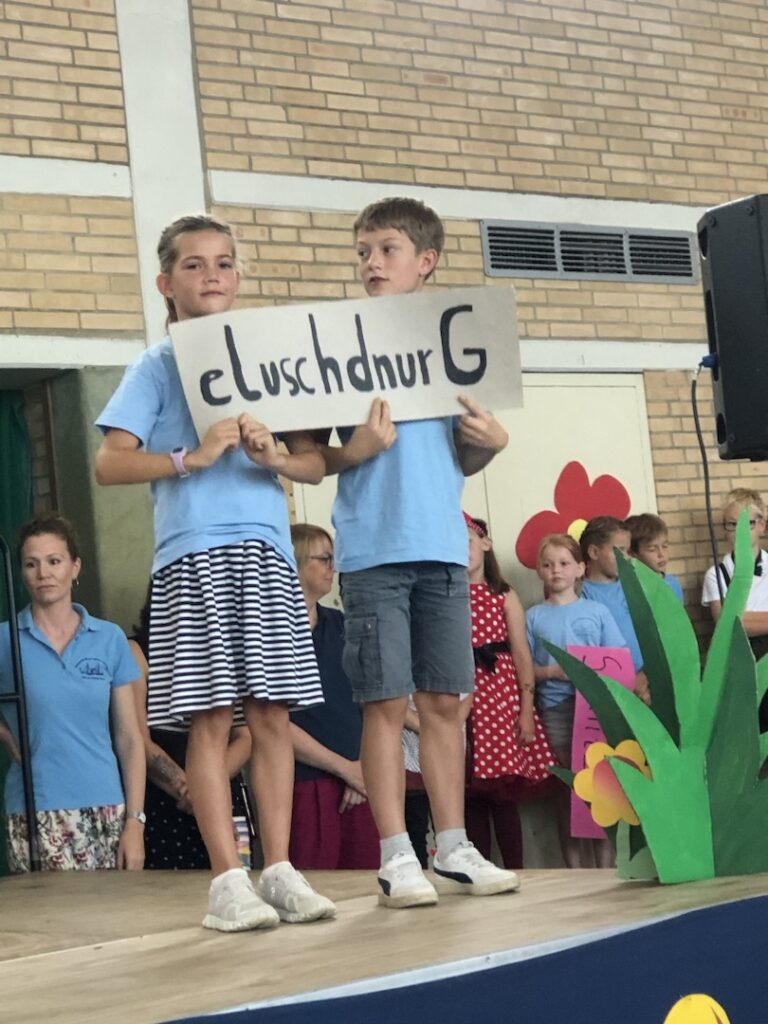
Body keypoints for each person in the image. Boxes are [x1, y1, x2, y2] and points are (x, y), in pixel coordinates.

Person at [94, 213, 335, 931]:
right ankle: (227, 880)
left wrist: (274, 456)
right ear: (165, 283)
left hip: (267, 552)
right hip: (193, 553)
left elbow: (313, 460)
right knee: (208, 719)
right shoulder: (155, 364)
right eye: (194, 265)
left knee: (272, 715)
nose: (213, 275)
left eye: (225, 262)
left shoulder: (266, 359)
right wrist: (188, 457)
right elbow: (108, 463)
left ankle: (279, 868)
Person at [318, 196, 519, 908]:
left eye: (387, 250)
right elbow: (315, 456)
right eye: (363, 251)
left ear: (425, 261)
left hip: (442, 547)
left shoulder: (454, 346)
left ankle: (453, 846)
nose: (371, 263)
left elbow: (460, 457)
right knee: (383, 702)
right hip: (373, 549)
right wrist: (355, 447)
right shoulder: (336, 346)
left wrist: (492, 445)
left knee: (445, 703)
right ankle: (396, 853)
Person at [1, 513, 145, 872]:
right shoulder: (5, 640)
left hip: (107, 807)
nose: (43, 573)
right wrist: (6, 735)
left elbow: (130, 738)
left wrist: (135, 822)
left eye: (54, 561)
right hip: (34, 808)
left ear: (75, 566)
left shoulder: (109, 638)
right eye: (31, 564)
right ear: (21, 572)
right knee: (47, 911)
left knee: (113, 908)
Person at [128, 592, 254, 870]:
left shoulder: (225, 652)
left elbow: (245, 737)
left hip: (223, 796)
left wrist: (206, 788)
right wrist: (193, 791)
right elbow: (139, 741)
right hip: (165, 801)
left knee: (239, 883)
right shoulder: (137, 651)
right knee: (169, 893)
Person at [525, 534, 627, 868]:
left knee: (601, 790)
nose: (556, 570)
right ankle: (575, 870)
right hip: (554, 712)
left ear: (581, 568)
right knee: (567, 792)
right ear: (539, 571)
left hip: (595, 712)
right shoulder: (533, 617)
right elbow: (523, 670)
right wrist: (552, 671)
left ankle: (606, 869)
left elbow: (618, 660)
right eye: (548, 564)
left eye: (564, 563)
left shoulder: (597, 612)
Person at [465, 513, 556, 869]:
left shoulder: (503, 595)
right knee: (468, 795)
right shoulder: (445, 596)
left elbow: (521, 654)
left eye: (467, 542)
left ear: (485, 544)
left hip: (499, 701)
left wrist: (526, 709)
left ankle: (517, 870)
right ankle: (477, 868)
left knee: (502, 795)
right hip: (462, 699)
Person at [287, 524, 379, 869]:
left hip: (359, 776)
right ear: (295, 563)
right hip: (305, 780)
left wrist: (360, 766)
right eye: (324, 559)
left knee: (368, 879)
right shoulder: (273, 632)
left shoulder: (340, 624)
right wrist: (345, 770)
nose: (333, 567)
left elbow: (368, 701)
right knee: (315, 877)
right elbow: (272, 722)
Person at [702, 488, 768, 715]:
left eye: (747, 523)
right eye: (731, 524)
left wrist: (744, 618)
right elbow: (727, 625)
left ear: (762, 526)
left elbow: (738, 618)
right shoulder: (716, 574)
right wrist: (739, 620)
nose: (738, 531)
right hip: (738, 661)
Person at [580, 516, 648, 702]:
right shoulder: (582, 594)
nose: (626, 557)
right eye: (620, 550)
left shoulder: (634, 587)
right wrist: (626, 681)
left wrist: (645, 675)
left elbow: (651, 632)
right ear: (594, 552)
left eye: (628, 551)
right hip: (611, 688)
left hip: (646, 681)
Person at [624, 513, 684, 603]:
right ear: (633, 553)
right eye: (652, 549)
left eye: (664, 546)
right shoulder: (627, 589)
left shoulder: (672, 583)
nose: (661, 554)